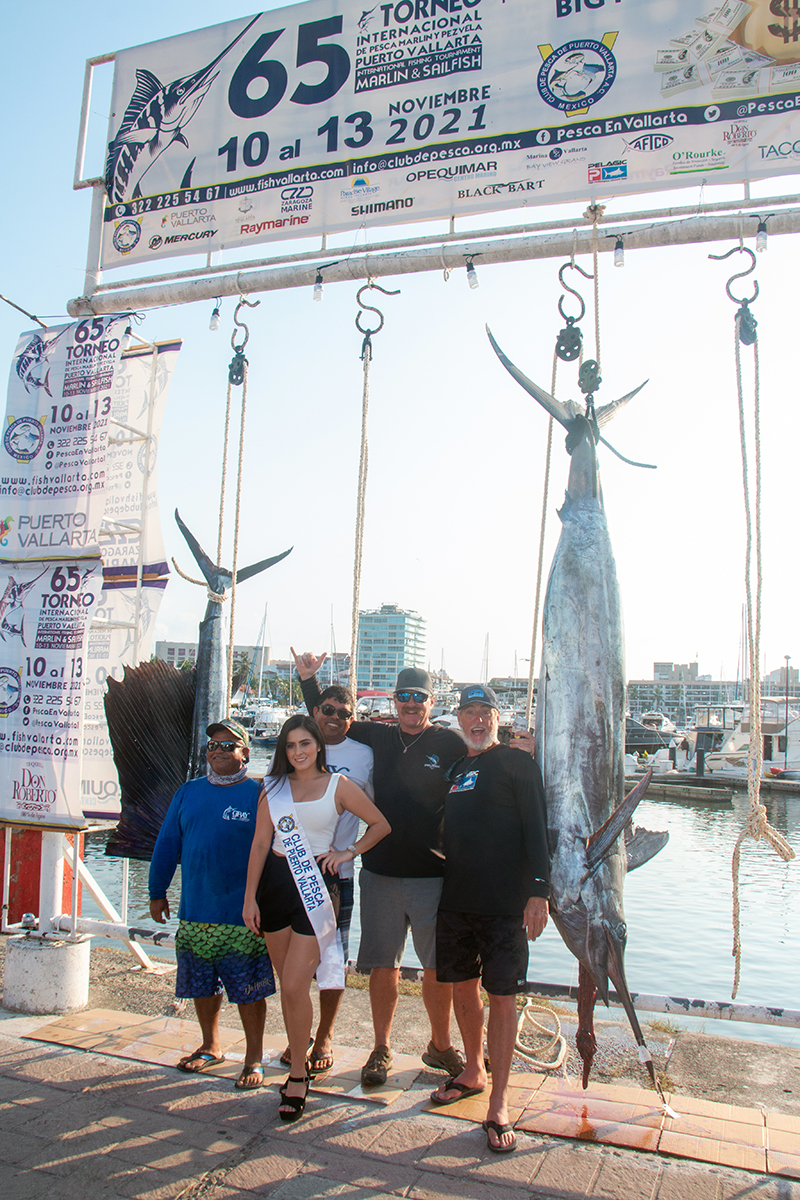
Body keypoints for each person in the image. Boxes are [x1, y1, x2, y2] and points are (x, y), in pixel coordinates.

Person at [293, 649, 469, 1088]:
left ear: (431, 702)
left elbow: (485, 757)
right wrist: (308, 682)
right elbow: (329, 721)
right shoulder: (378, 736)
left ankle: (441, 1046)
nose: (411, 705)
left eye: (420, 698)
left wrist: (519, 750)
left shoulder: (448, 742)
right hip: (381, 874)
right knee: (384, 967)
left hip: (434, 874)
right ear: (394, 701)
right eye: (404, 697)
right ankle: (381, 1047)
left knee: (436, 969)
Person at [242, 714, 389, 1122]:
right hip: (274, 885)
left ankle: (297, 1075)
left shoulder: (339, 787)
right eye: (290, 746)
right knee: (287, 989)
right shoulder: (271, 787)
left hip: (314, 889)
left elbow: (380, 824)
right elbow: (258, 845)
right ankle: (297, 1052)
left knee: (293, 984)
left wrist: (348, 853)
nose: (298, 752)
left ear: (317, 746)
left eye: (305, 744)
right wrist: (249, 898)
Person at [429, 684, 550, 1154]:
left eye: (486, 712)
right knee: (462, 988)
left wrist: (538, 892)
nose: (477, 720)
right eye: (469, 712)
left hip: (505, 905)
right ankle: (474, 1072)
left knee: (502, 998)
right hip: (456, 900)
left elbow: (536, 827)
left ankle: (499, 1102)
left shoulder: (518, 763)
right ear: (458, 719)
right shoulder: (460, 768)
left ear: (499, 718)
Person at [149, 718, 274, 1091]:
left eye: (228, 745)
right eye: (213, 746)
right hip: (196, 911)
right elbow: (167, 843)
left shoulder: (261, 792)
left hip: (243, 914)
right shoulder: (188, 791)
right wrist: (157, 891)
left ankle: (253, 1057)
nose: (218, 751)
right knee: (202, 985)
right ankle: (211, 1045)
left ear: (245, 754)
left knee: (249, 990)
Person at [278, 683, 374, 1075]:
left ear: (352, 718)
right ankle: (296, 1038)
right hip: (287, 875)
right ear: (315, 711)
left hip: (336, 877)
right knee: (289, 970)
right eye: (327, 710)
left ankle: (324, 1037)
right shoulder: (294, 752)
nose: (334, 718)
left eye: (343, 713)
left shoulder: (364, 755)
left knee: (332, 963)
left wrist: (349, 853)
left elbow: (377, 817)